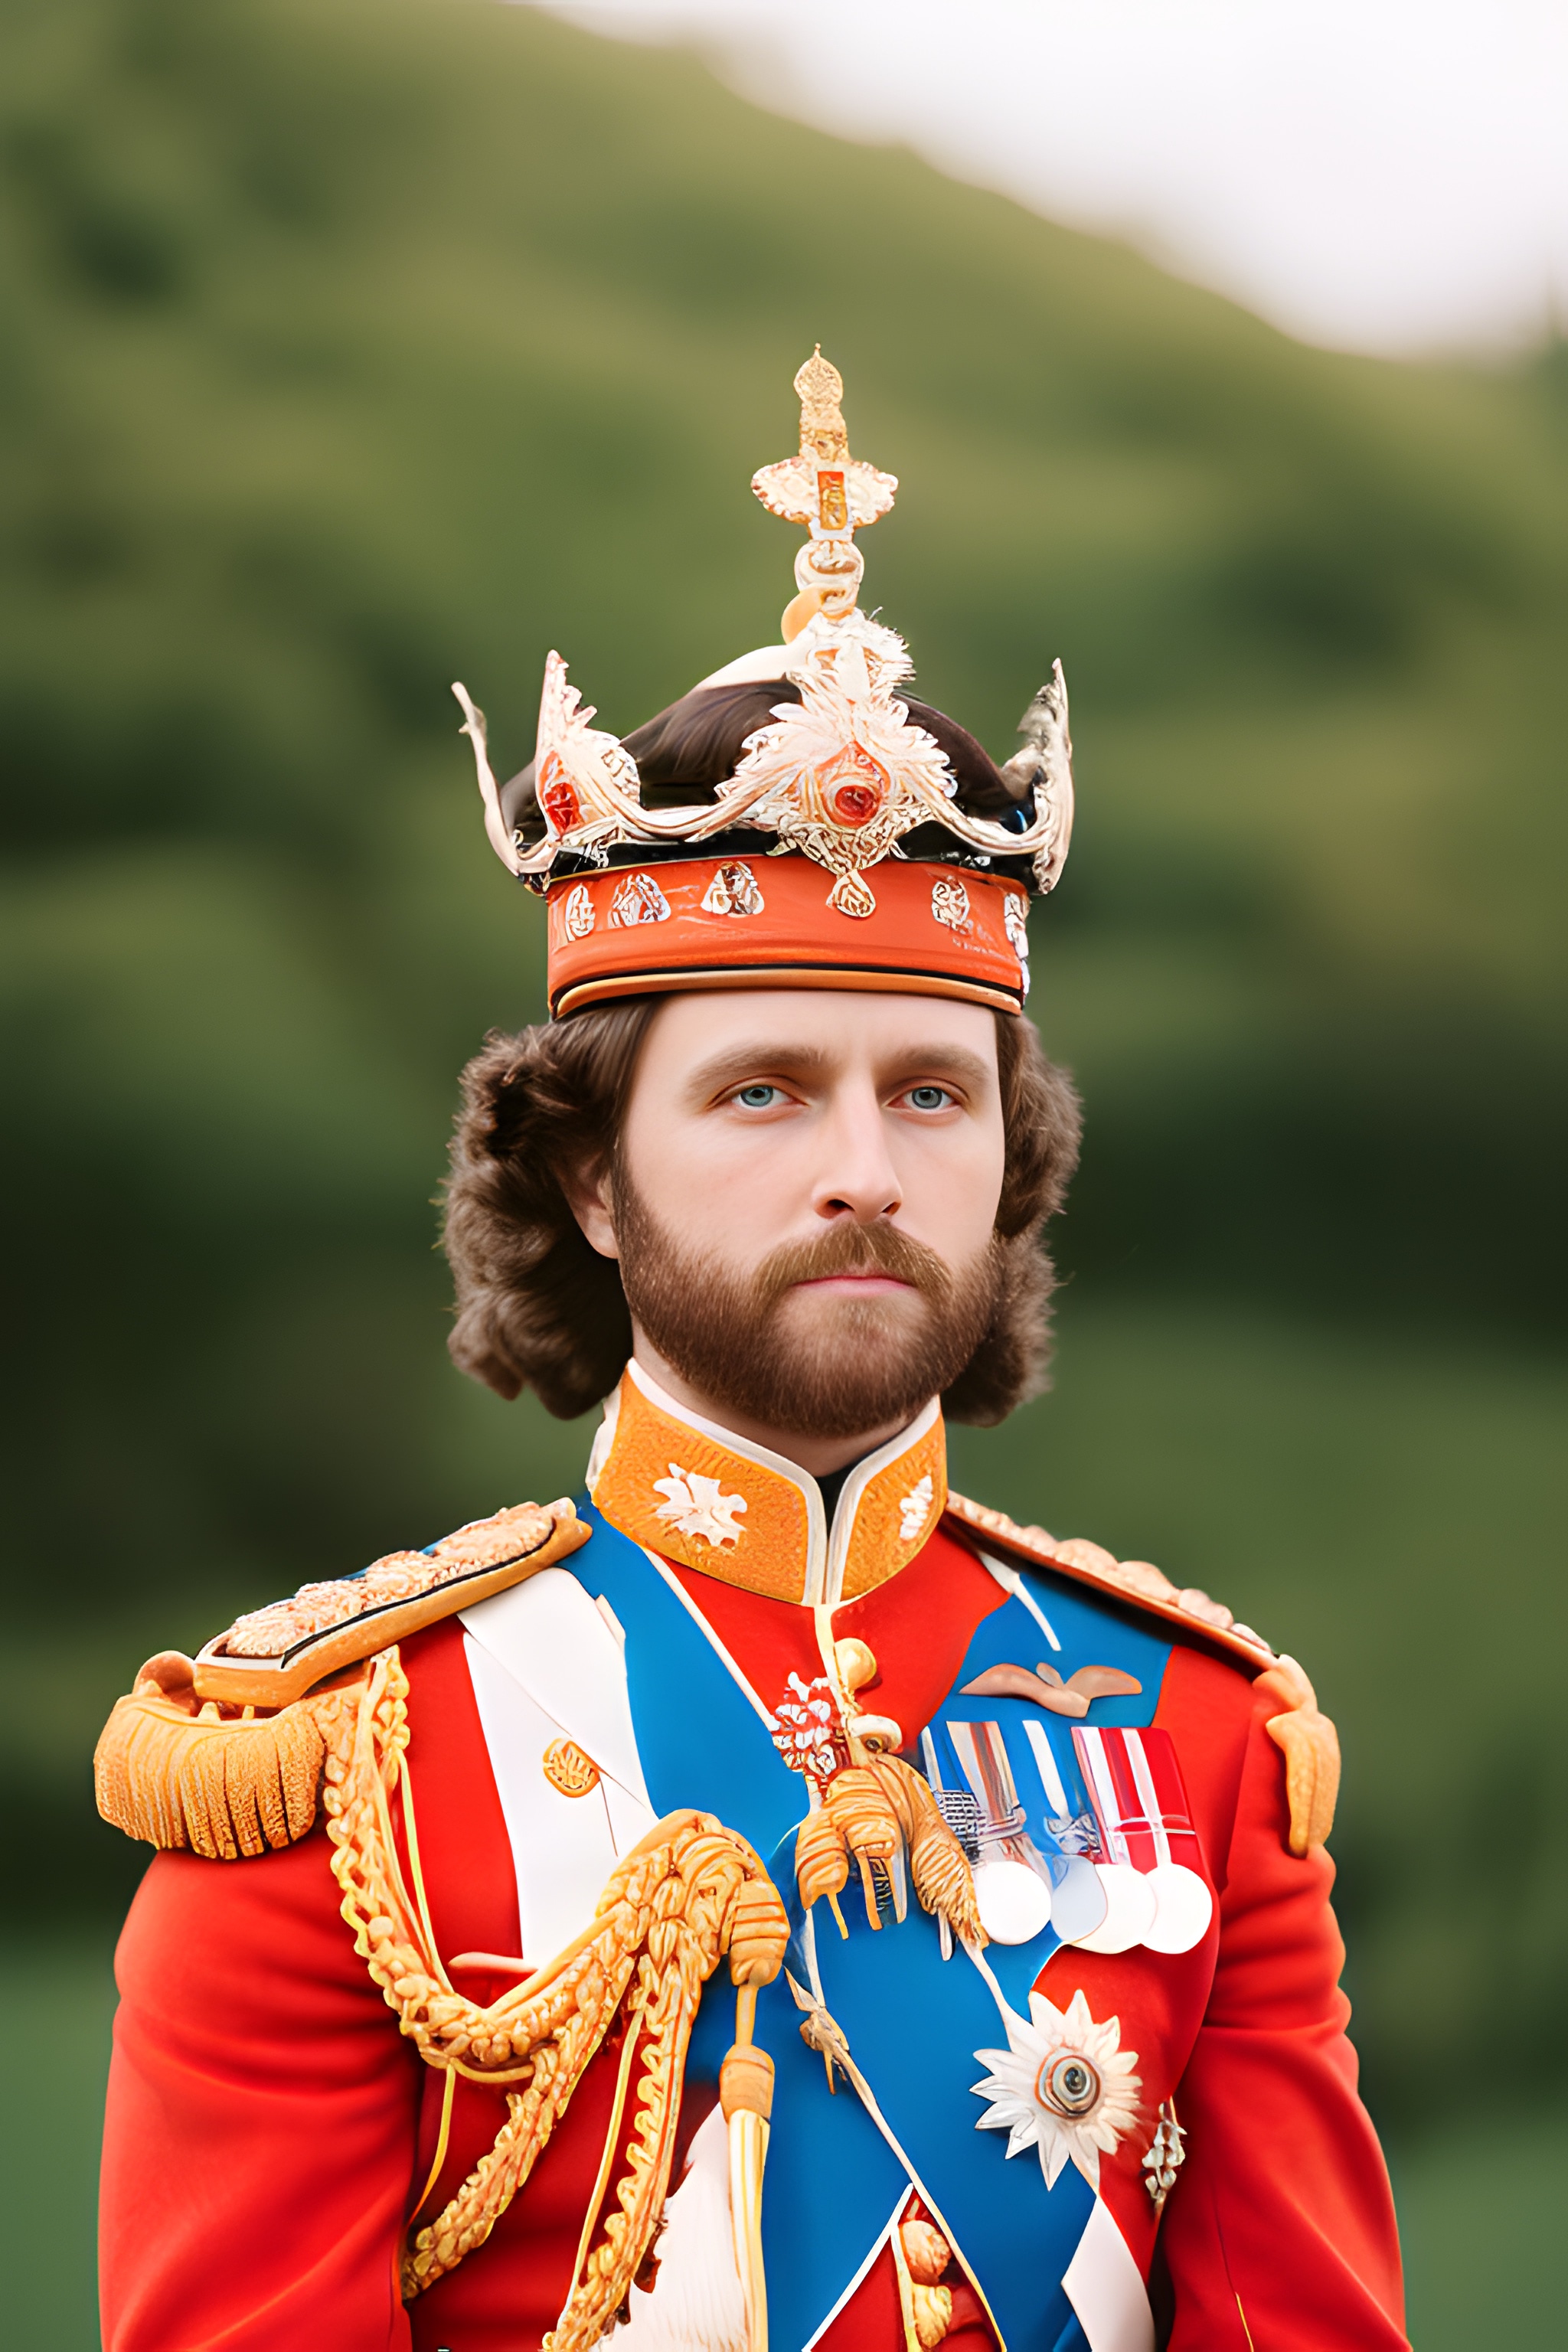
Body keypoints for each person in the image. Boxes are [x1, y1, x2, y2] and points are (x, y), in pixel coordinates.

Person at [95, 352, 1407, 2352]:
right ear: (591, 1180)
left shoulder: (1210, 1743)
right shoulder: (325, 1772)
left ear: (1014, 1154)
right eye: (765, 1095)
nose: (868, 1172)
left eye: (934, 1097)